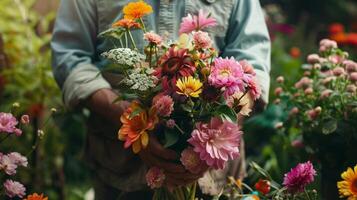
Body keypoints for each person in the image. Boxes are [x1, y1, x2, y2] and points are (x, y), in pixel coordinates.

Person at [51, 0, 271, 199]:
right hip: (121, 172)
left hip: (214, 177)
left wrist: (216, 138)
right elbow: (70, 57)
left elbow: (253, 60)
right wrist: (134, 122)